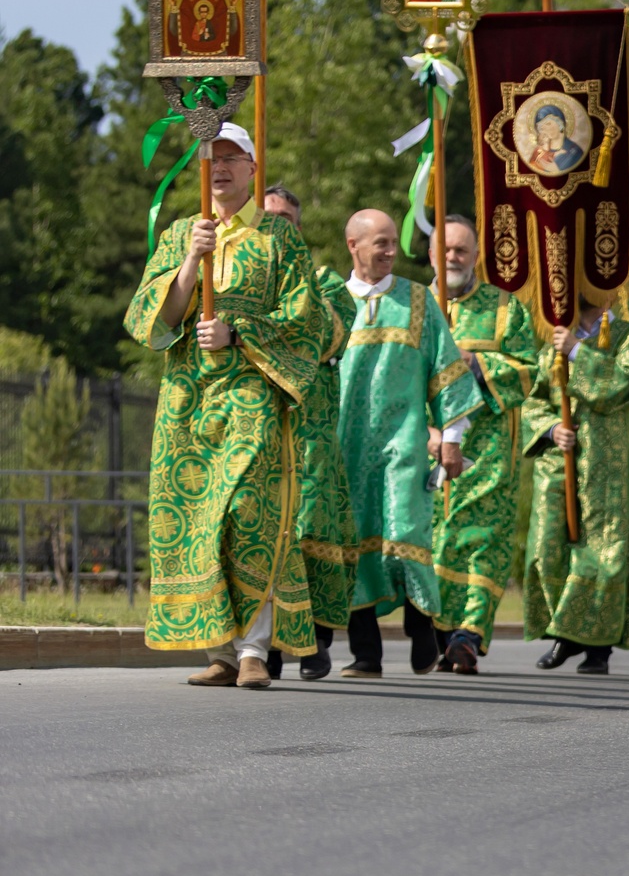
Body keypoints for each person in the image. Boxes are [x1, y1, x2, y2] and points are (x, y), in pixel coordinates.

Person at [126, 124, 331, 687]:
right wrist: (191, 262)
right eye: (210, 157)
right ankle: (218, 650)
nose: (218, 166)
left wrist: (239, 333)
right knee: (196, 518)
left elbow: (306, 322)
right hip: (187, 398)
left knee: (246, 515)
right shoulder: (179, 234)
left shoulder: (278, 239)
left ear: (251, 168)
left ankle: (254, 651)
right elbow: (154, 319)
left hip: (249, 393)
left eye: (231, 157)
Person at [333, 208, 485, 678]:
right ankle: (366, 654)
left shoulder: (419, 301)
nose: (390, 251)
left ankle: (422, 628)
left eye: (393, 241)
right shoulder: (330, 304)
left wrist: (452, 438)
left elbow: (446, 373)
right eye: (379, 242)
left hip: (405, 444)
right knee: (354, 544)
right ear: (353, 245)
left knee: (406, 535)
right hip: (345, 452)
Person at [257, 184, 361, 681]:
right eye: (269, 218)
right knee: (267, 539)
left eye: (287, 222)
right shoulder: (243, 280)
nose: (278, 228)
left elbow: (322, 336)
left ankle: (317, 640)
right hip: (259, 434)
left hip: (312, 439)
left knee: (313, 538)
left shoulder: (326, 285)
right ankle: (269, 647)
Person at [522, 297, 629, 675]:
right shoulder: (552, 343)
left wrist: (577, 352)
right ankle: (563, 625)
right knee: (545, 546)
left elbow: (617, 386)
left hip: (609, 462)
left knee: (603, 550)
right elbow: (533, 399)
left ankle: (588, 644)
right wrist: (551, 429)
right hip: (559, 462)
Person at [430, 214, 541, 674]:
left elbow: (528, 370)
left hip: (489, 450)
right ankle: (441, 632)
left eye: (461, 250)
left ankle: (469, 634)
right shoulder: (417, 304)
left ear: (476, 256)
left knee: (484, 541)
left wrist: (475, 364)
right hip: (428, 444)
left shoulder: (503, 307)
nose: (452, 257)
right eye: (445, 249)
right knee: (437, 540)